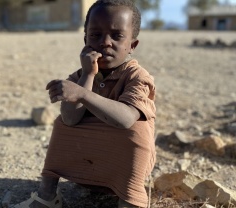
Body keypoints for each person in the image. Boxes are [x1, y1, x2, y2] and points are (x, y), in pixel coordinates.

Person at [12, 0, 156, 207]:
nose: (105, 42)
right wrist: (87, 76)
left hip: (121, 171)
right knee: (61, 122)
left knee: (136, 129)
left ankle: (130, 201)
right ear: (85, 39)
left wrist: (82, 95)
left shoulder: (137, 77)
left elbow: (125, 120)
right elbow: (70, 119)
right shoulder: (81, 76)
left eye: (117, 36)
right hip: (88, 168)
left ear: (132, 45)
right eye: (96, 35)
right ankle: (47, 197)